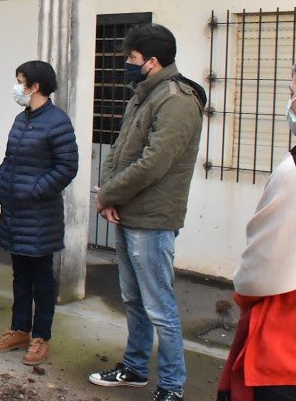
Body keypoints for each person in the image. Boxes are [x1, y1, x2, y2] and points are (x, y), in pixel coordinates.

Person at [88, 24, 206, 401]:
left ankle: (172, 386)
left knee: (160, 307)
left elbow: (155, 163)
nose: (126, 64)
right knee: (133, 299)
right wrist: (110, 198)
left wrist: (107, 194)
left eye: (131, 59)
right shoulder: (144, 94)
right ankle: (136, 367)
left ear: (152, 62)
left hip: (153, 220)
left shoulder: (176, 100)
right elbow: (121, 149)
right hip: (126, 213)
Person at [0, 60, 78, 365]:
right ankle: (18, 329)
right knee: (19, 276)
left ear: (35, 86)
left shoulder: (57, 122)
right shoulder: (20, 119)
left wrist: (34, 191)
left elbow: (67, 167)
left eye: (19, 80)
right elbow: (10, 158)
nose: (16, 87)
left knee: (42, 278)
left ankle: (41, 336)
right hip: (15, 212)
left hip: (40, 216)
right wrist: (0, 183)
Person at [217, 63, 296, 401]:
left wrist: (245, 291)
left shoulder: (291, 173)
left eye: (293, 94)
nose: (290, 104)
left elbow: (262, 267)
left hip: (283, 334)